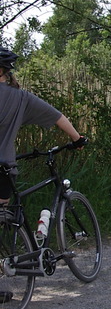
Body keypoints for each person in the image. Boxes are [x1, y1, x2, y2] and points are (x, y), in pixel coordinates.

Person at [0, 47, 85, 204]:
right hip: (3, 167)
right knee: (4, 213)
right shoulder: (21, 97)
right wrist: (77, 139)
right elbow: (57, 116)